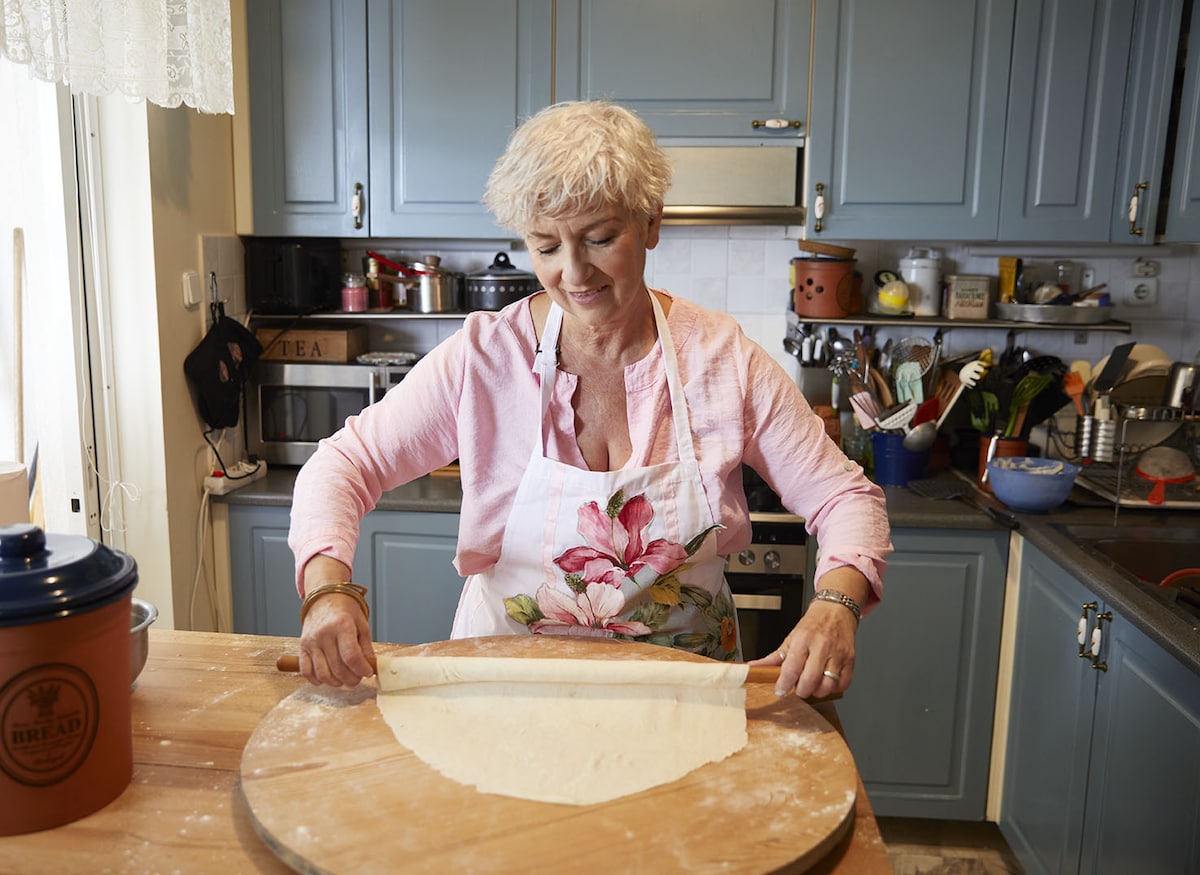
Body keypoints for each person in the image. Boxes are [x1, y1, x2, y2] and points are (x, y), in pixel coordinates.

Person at [288, 100, 892, 698]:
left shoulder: (722, 359)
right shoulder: (485, 358)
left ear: (651, 222)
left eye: (599, 238)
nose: (574, 273)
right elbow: (343, 465)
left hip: (681, 699)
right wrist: (327, 589)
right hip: (505, 693)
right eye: (546, 246)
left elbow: (845, 496)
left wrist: (837, 602)